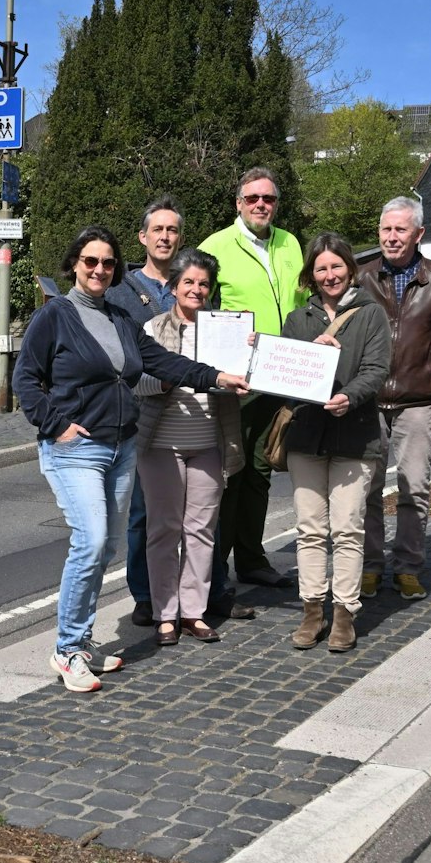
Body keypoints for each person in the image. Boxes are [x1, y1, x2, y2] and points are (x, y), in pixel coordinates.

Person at [15, 226, 250, 692]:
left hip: (121, 447)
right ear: (75, 265)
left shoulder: (121, 318)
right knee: (91, 540)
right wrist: (55, 424)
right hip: (76, 449)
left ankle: (80, 644)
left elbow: (167, 364)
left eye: (107, 263)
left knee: (104, 549)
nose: (99, 270)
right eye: (90, 261)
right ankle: (67, 649)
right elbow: (26, 380)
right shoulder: (55, 316)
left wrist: (218, 377)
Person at [199, 167, 310, 609]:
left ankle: (252, 557)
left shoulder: (289, 243)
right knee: (231, 472)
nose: (261, 205)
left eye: (268, 199)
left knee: (263, 470)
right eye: (252, 198)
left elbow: (301, 303)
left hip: (282, 375)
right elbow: (200, 311)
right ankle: (216, 569)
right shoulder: (215, 246)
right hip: (239, 379)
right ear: (238, 204)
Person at [281, 234, 391, 652]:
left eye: (336, 266)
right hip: (307, 435)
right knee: (310, 530)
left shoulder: (370, 314)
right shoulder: (298, 319)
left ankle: (344, 613)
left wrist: (351, 396)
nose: (330, 275)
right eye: (321, 268)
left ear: (350, 268)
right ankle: (312, 610)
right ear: (311, 273)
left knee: (347, 530)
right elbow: (285, 377)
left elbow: (377, 368)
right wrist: (309, 354)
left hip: (354, 434)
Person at [133, 249, 242, 647]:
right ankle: (165, 614)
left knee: (201, 531)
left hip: (210, 443)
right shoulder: (151, 329)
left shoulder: (227, 330)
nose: (196, 289)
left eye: (203, 284)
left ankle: (193, 612)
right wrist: (168, 379)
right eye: (188, 282)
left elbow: (243, 386)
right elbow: (134, 383)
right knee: (163, 530)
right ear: (174, 287)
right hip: (161, 444)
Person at [359, 195, 431, 602]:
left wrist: (430, 370)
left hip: (417, 402)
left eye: (400, 229)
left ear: (418, 233)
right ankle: (369, 566)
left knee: (414, 487)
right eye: (386, 229)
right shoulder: (362, 277)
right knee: (364, 490)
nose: (391, 237)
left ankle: (407, 567)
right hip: (367, 402)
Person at [110, 197, 184, 628]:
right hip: (141, 411)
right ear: (143, 237)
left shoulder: (192, 281)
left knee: (191, 510)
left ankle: (192, 590)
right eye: (157, 229)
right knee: (143, 510)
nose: (165, 237)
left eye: (172, 230)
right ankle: (144, 593)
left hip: (191, 410)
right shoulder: (121, 290)